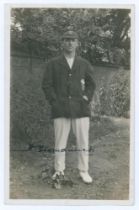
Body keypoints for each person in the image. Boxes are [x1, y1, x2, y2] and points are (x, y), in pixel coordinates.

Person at [42, 30, 96, 184]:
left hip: (81, 109)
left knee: (83, 141)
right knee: (60, 142)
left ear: (77, 43)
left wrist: (86, 98)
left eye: (73, 40)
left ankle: (84, 171)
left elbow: (91, 84)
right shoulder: (53, 63)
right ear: (62, 43)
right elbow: (46, 85)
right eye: (66, 39)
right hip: (60, 108)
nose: (70, 43)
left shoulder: (84, 63)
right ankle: (59, 170)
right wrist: (54, 101)